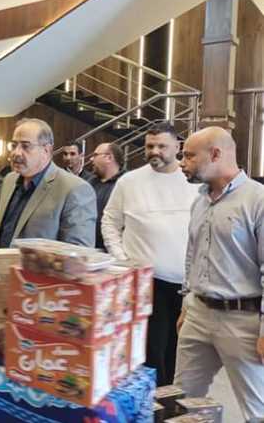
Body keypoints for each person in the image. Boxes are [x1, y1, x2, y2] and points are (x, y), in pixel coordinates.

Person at [174, 127, 264, 421]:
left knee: (257, 409)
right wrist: (187, 304)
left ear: (215, 154)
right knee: (182, 398)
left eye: (189, 156)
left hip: (243, 321)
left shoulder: (258, 200)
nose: (182, 163)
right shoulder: (200, 200)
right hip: (198, 314)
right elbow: (193, 254)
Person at [101, 122, 199, 386]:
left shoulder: (194, 182)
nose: (155, 151)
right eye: (150, 146)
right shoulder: (129, 181)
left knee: (181, 350)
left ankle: (173, 399)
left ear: (178, 147)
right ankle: (153, 402)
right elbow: (110, 221)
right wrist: (122, 259)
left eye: (162, 146)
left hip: (187, 284)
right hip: (146, 282)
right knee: (151, 352)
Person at [0, 119, 96, 248]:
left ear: (46, 150)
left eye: (25, 146)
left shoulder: (75, 189)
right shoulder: (10, 180)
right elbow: (0, 230)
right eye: (14, 145)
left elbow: (79, 253)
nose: (16, 153)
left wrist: (30, 260)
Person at [89, 142, 125, 249]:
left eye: (95, 155)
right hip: (89, 248)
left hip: (113, 250)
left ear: (109, 158)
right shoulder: (89, 183)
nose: (91, 159)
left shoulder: (125, 185)